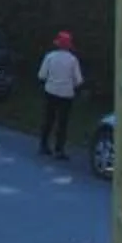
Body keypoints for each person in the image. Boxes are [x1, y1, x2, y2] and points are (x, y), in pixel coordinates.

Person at [38, 29, 85, 158]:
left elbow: (41, 75)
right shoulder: (73, 60)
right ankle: (59, 149)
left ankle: (43, 145)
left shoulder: (50, 57)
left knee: (48, 119)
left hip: (50, 91)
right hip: (66, 95)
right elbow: (79, 80)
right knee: (62, 122)